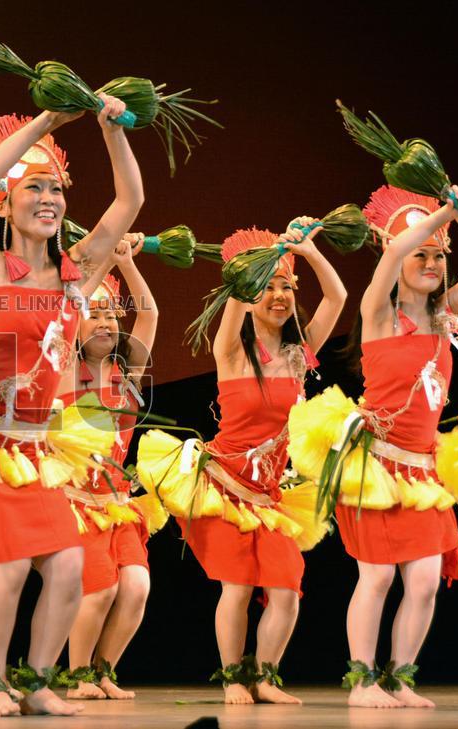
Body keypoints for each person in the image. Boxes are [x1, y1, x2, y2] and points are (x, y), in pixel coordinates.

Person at [0, 97, 143, 718]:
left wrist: (110, 131)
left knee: (71, 566)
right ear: (6, 203)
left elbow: (128, 202)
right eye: (34, 188)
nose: (48, 198)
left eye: (55, 188)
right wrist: (48, 122)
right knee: (15, 565)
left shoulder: (77, 275)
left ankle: (38, 679)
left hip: (37, 449)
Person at [137, 221, 345, 704]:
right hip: (223, 484)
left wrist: (308, 251)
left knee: (287, 588)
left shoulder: (299, 353)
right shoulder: (230, 351)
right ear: (250, 296)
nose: (278, 295)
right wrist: (249, 268)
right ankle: (233, 677)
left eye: (285, 286)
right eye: (267, 286)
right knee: (237, 587)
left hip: (270, 495)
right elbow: (236, 296)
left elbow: (336, 296)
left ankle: (266, 676)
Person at [289, 185, 458, 708]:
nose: (432, 262)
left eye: (440, 255)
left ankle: (399, 678)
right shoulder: (380, 313)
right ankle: (362, 681)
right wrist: (444, 208)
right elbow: (393, 251)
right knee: (375, 578)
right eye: (422, 253)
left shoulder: (447, 315)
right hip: (374, 464)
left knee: (423, 583)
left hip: (423, 470)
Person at [59, 236, 159, 701]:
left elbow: (151, 314)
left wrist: (126, 264)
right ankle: (76, 675)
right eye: (92, 315)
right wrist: (93, 272)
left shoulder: (128, 375)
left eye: (109, 316)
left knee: (136, 586)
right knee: (99, 592)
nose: (103, 323)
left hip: (117, 505)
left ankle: (103, 671)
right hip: (74, 506)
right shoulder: (62, 371)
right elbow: (66, 314)